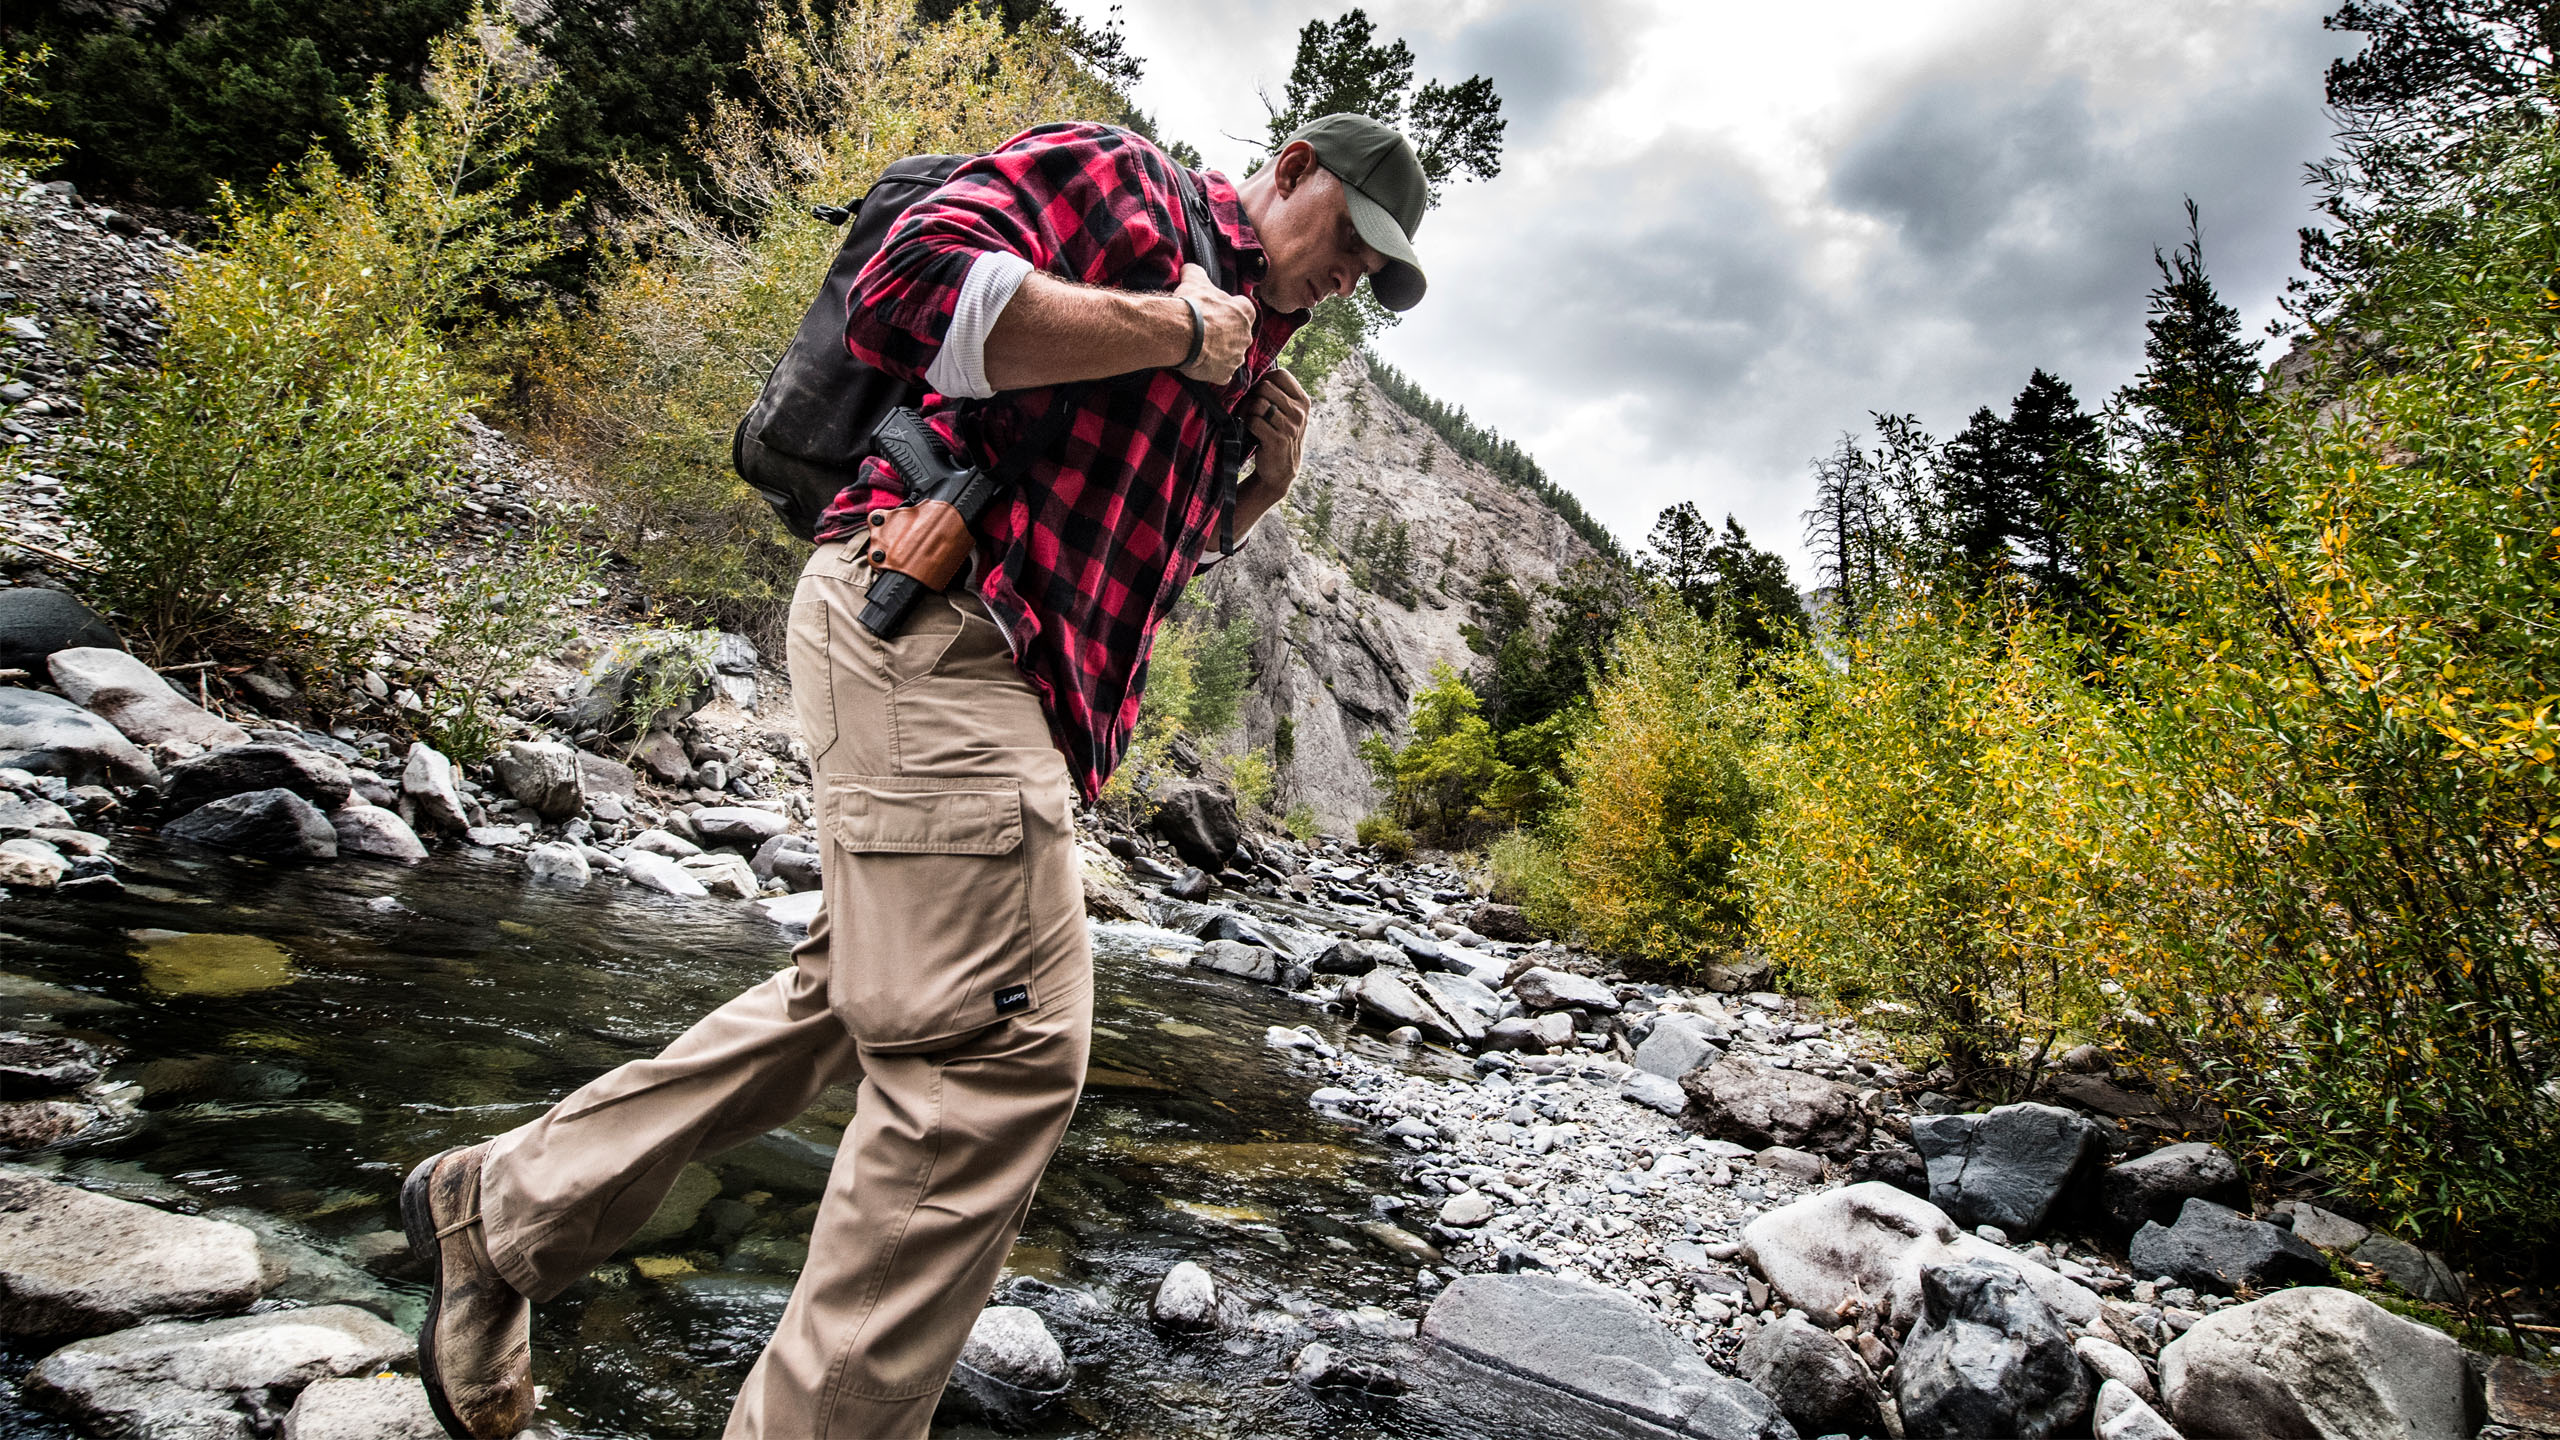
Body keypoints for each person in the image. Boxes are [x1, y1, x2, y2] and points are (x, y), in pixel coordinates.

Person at [397, 110, 1433, 1440]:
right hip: (925, 630)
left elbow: (1130, 575)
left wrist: (1256, 492)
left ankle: (499, 1218)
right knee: (998, 1048)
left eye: (1376, 273)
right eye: (1352, 237)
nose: (1354, 275)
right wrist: (1176, 329)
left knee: (853, 1002)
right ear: (1291, 173)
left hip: (1002, 689)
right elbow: (914, 280)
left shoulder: (1249, 361)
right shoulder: (1135, 191)